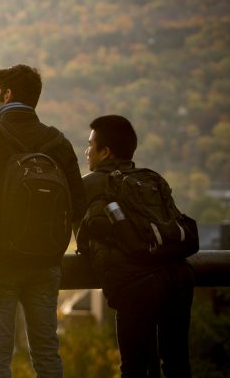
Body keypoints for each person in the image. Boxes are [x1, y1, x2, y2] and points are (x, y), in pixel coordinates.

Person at [0, 64, 85, 378]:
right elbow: (78, 205)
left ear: (8, 94)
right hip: (45, 264)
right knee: (47, 356)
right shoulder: (58, 142)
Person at [77, 115, 194, 377]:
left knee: (134, 368)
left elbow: (80, 238)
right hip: (178, 278)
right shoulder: (151, 179)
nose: (86, 151)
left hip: (134, 287)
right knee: (177, 362)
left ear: (105, 152)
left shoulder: (90, 184)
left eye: (90, 144)